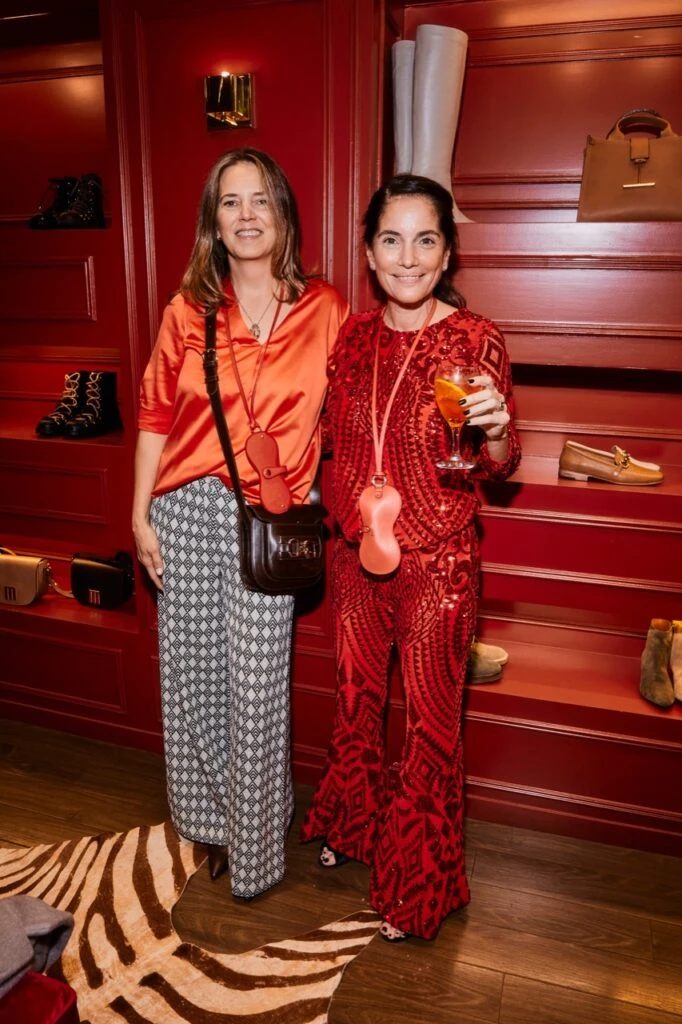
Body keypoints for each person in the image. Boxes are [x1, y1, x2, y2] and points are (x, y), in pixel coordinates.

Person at [300, 174, 521, 941]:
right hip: (354, 555)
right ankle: (355, 826)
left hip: (437, 564)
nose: (407, 257)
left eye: (425, 240)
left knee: (430, 728)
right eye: (391, 240)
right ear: (369, 252)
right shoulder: (354, 336)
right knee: (355, 703)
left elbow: (501, 464)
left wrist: (497, 429)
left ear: (447, 252)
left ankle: (419, 883)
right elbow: (333, 439)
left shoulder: (475, 338)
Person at [133, 148, 348, 899]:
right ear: (214, 223)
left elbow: (351, 409)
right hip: (186, 509)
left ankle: (256, 848)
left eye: (261, 200)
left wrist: (310, 482)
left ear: (283, 214)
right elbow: (155, 416)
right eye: (231, 202)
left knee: (257, 689)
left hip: (268, 517)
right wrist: (139, 516)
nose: (247, 214)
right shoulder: (187, 311)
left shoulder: (325, 310)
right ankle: (209, 822)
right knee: (192, 678)